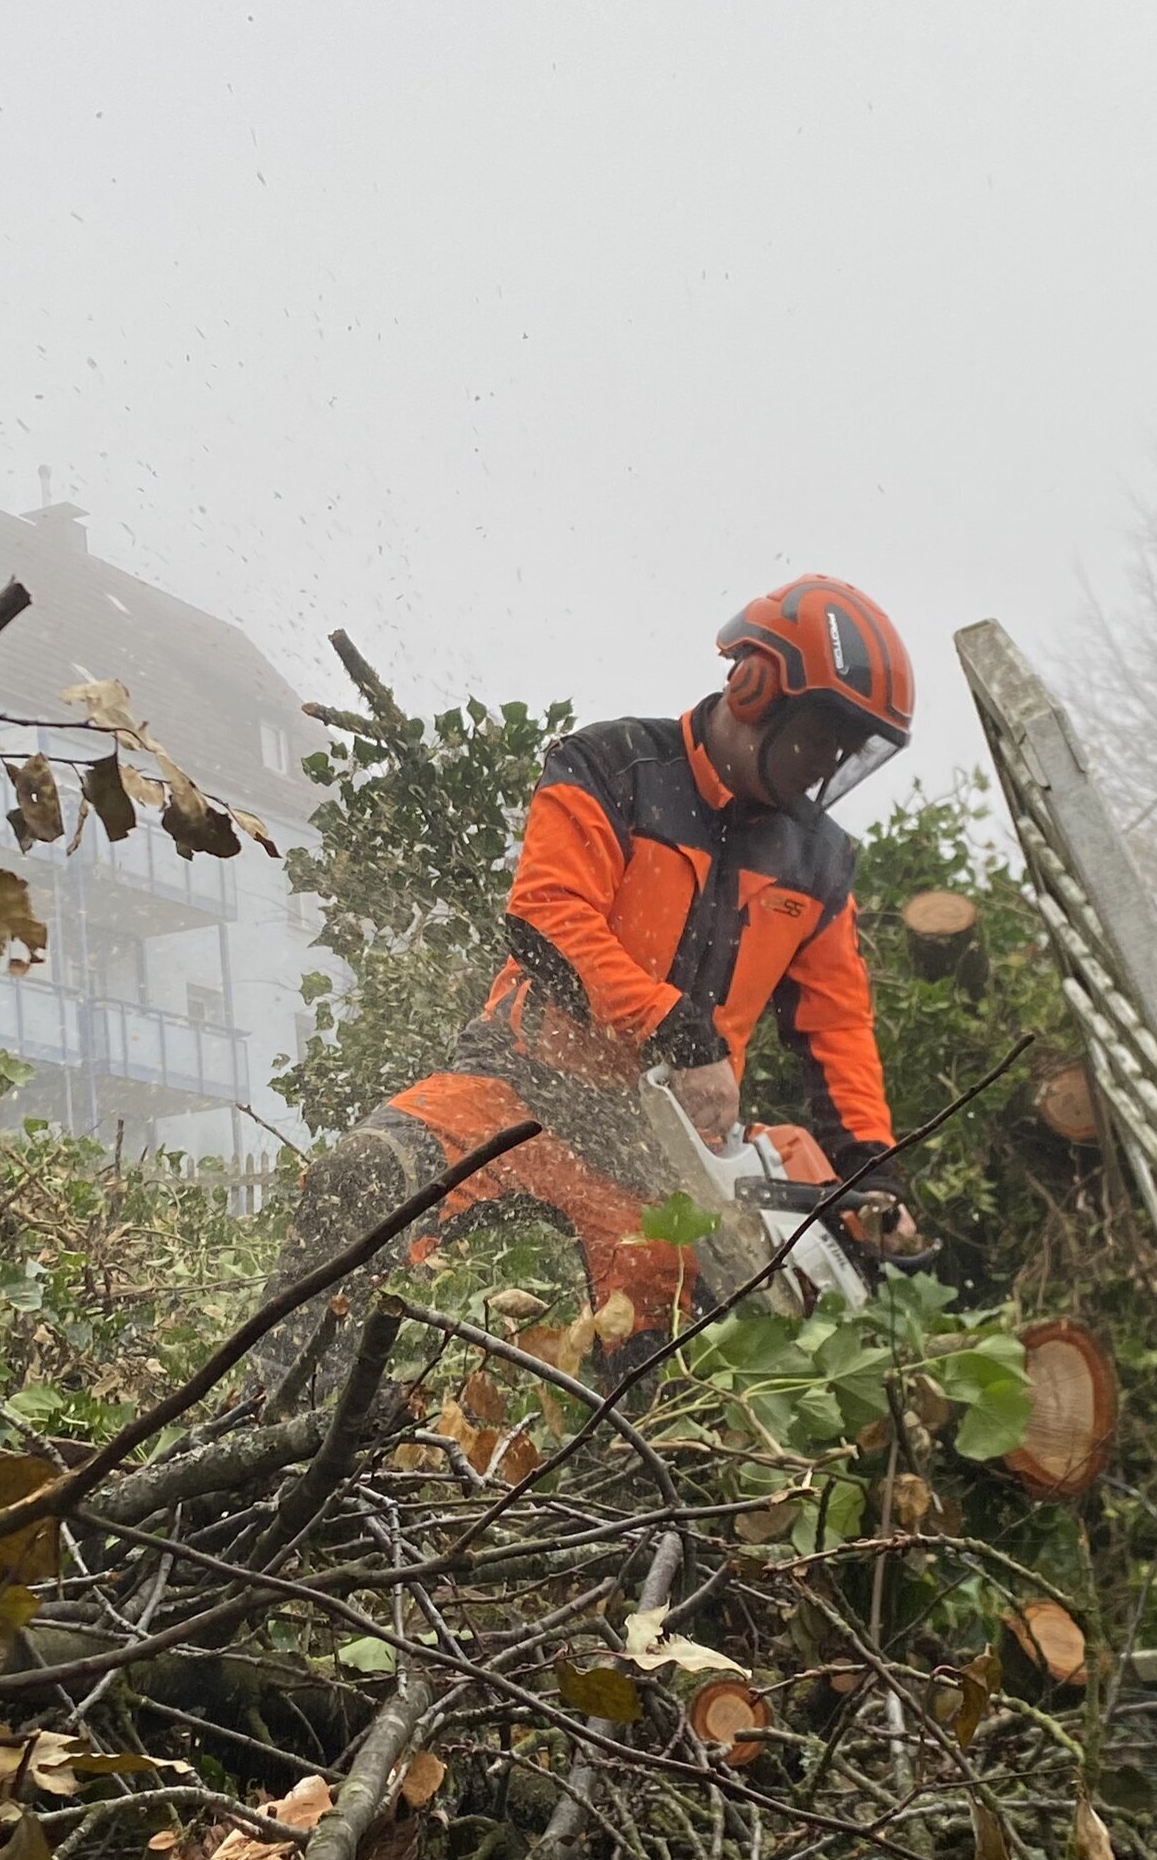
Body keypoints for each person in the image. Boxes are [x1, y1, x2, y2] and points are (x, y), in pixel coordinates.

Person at [258, 575, 920, 1407]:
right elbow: (546, 918)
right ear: (754, 689)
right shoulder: (615, 768)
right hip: (520, 1092)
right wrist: (679, 1033)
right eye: (819, 739)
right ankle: (281, 1424)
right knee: (365, 1176)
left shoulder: (818, 863)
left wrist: (871, 1169)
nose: (823, 766)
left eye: (843, 751)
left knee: (663, 1384)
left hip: (663, 1154)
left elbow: (837, 1027)